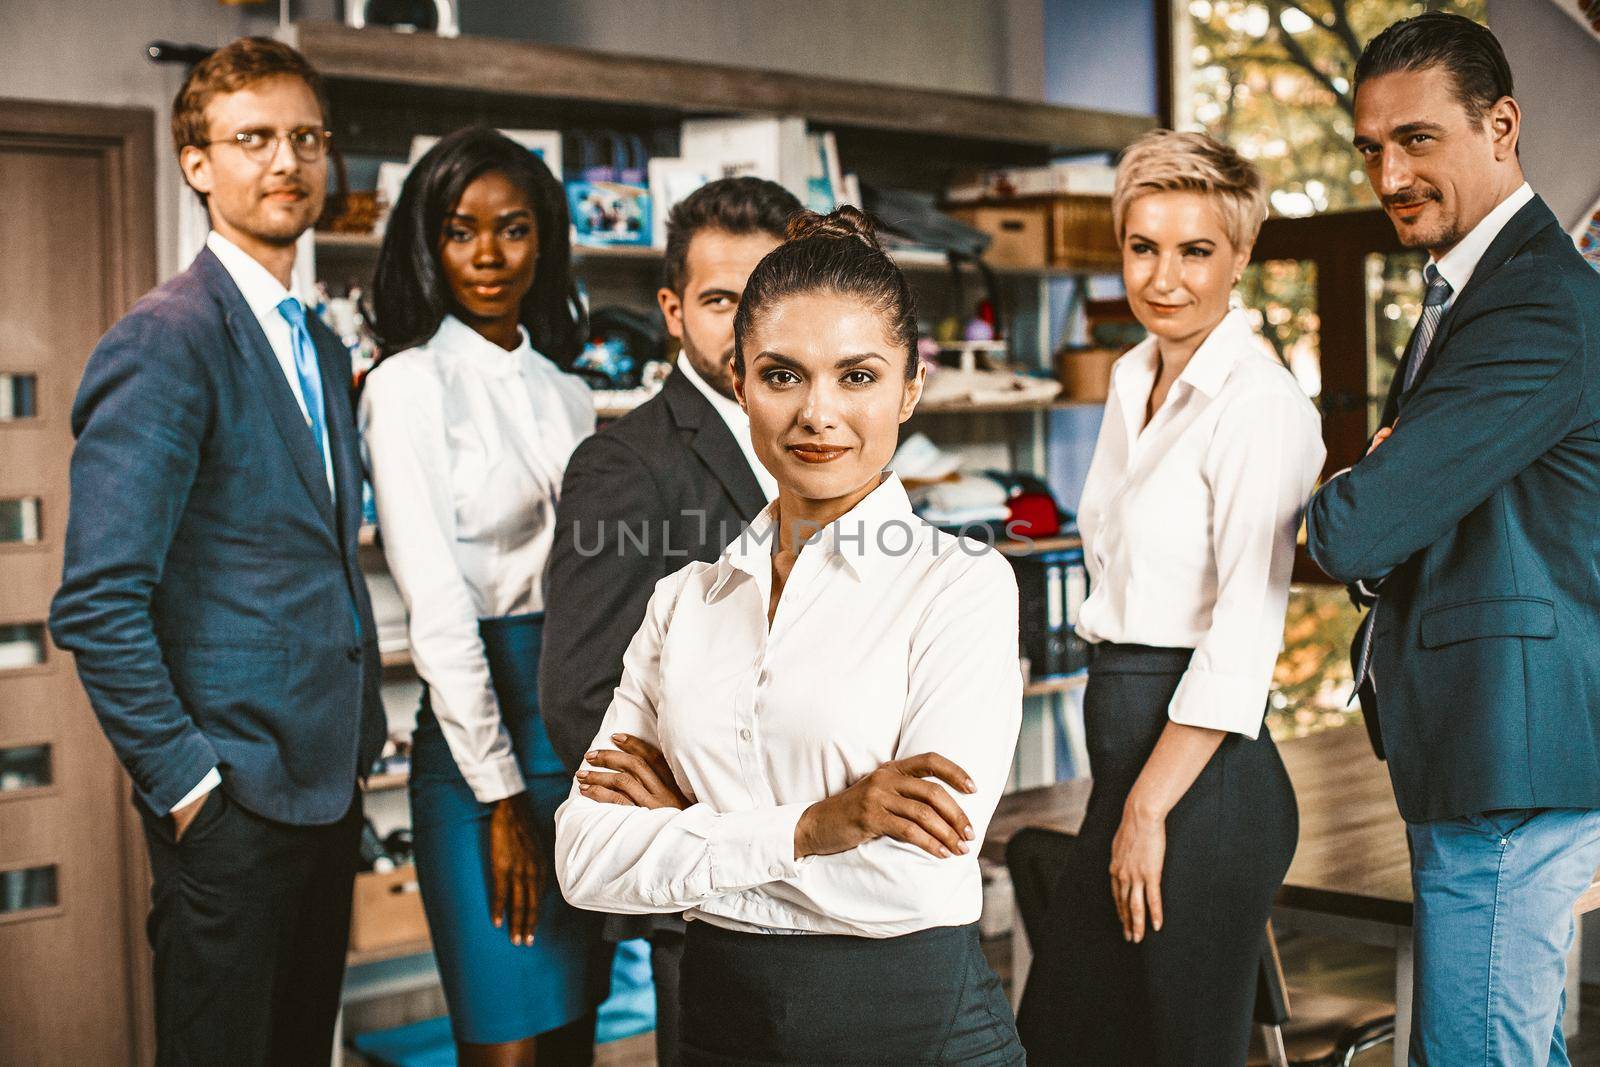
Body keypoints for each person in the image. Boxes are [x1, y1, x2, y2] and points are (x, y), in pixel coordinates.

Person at [552, 205, 1025, 1066]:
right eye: (782, 375)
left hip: (912, 1032)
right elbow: (585, 856)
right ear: (739, 384)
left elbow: (912, 871)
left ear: (910, 387)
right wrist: (816, 824)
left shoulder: (960, 586)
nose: (817, 413)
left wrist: (694, 822)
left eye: (857, 376)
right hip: (720, 1030)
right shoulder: (685, 602)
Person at [46, 38, 385, 1065]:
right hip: (230, 799)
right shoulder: (169, 337)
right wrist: (189, 786)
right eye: (252, 139)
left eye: (303, 137)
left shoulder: (314, 341)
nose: (284, 161)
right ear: (198, 163)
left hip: (324, 789)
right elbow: (98, 599)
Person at [1307, 14, 1600, 1066]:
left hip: (1505, 757)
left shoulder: (1530, 302)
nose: (1389, 172)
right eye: (1370, 147)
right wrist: (1387, 486)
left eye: (1417, 138)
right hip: (1482, 754)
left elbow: (1354, 527)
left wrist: (1356, 488)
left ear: (1502, 126)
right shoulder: (1471, 291)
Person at [1015, 129, 1324, 1065]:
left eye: (1196, 250)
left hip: (1205, 783)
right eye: (1143, 247)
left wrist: (1146, 809)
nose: (1165, 277)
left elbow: (1241, 637)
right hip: (1129, 760)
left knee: (1180, 1050)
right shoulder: (1131, 377)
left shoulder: (1260, 404)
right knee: (1061, 1039)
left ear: (1240, 256)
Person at [538, 175, 801, 1063]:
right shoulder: (625, 464)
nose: (744, 320)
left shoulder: (824, 431)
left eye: (764, 293)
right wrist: (700, 823)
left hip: (824, 860)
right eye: (721, 298)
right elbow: (581, 692)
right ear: (673, 309)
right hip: (710, 881)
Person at [360, 126, 607, 1066]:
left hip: (577, 734)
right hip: (478, 753)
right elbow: (436, 610)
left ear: (544, 238)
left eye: (512, 229)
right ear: (430, 242)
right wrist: (501, 793)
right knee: (506, 1045)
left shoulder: (566, 390)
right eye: (462, 231)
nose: (490, 255)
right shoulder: (409, 385)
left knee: (575, 1035)